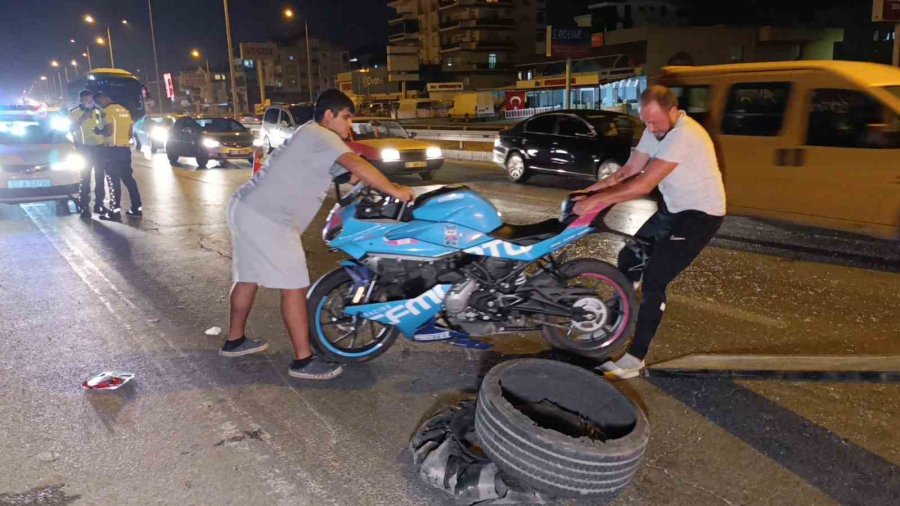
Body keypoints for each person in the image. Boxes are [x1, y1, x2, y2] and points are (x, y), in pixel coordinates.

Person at [221, 89, 415, 380]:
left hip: (247, 208)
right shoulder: (322, 136)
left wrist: (356, 175)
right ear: (329, 115)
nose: (350, 125)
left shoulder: (310, 135)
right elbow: (356, 164)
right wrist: (396, 191)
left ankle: (234, 341)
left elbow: (346, 172)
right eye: (347, 117)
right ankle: (303, 361)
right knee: (295, 287)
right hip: (269, 219)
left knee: (247, 277)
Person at [571, 85, 726, 380]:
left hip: (700, 215)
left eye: (655, 121)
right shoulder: (655, 130)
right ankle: (615, 324)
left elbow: (643, 185)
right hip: (674, 209)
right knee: (629, 258)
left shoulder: (685, 135)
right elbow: (628, 171)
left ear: (673, 110)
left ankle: (635, 358)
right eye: (646, 121)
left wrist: (597, 201)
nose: (651, 127)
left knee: (655, 276)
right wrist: (586, 192)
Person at [93, 91, 142, 221]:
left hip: (112, 150)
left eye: (98, 102)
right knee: (128, 179)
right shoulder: (124, 110)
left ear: (102, 99)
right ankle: (136, 208)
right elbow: (131, 132)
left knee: (112, 180)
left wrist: (99, 131)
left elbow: (109, 130)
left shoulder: (107, 111)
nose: (99, 105)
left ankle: (114, 212)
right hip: (125, 150)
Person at [68, 90, 107, 217]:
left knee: (100, 176)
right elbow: (72, 128)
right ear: (81, 100)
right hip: (83, 149)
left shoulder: (100, 112)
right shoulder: (74, 113)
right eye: (86, 100)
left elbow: (106, 128)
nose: (89, 102)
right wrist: (83, 118)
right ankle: (84, 206)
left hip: (99, 148)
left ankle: (99, 204)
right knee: (85, 178)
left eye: (90, 100)